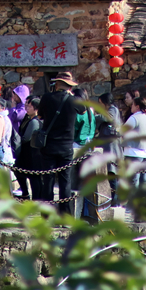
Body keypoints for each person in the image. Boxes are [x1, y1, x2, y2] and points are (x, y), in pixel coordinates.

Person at [36, 72, 83, 211]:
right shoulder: (74, 100)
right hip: (66, 146)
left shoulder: (46, 98)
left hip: (49, 145)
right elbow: (83, 110)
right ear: (70, 86)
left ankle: (46, 214)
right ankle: (65, 214)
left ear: (56, 84)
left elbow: (40, 116)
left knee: (48, 180)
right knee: (65, 181)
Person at [123, 97, 146, 201]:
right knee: (145, 179)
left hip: (133, 152)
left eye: (132, 104)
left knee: (133, 180)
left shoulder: (134, 118)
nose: (131, 106)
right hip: (145, 153)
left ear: (137, 106)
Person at [95, 92, 123, 203]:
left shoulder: (113, 110)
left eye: (100, 103)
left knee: (112, 175)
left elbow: (107, 118)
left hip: (112, 149)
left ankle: (115, 202)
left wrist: (93, 115)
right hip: (107, 149)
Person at [15, 97, 41, 199]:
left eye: (30, 106)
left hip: (31, 154)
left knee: (33, 177)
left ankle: (35, 198)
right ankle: (27, 193)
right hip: (28, 153)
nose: (27, 108)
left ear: (36, 108)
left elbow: (26, 138)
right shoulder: (28, 119)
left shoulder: (35, 121)